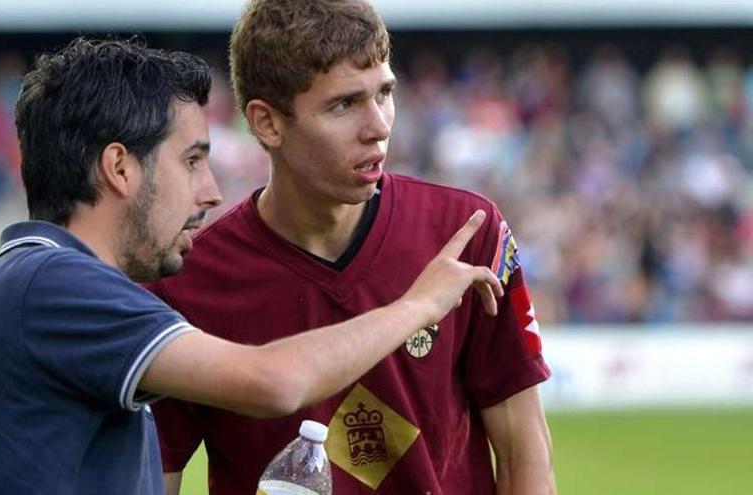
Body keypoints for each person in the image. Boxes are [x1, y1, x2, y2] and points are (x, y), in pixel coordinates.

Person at [0, 38, 504, 495]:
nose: (210, 193)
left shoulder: (42, 283)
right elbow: (275, 382)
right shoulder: (53, 286)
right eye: (191, 162)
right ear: (119, 168)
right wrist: (418, 306)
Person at [147, 1, 556, 494]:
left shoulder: (466, 233)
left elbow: (524, 452)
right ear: (266, 123)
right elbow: (156, 479)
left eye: (384, 93)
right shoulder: (187, 280)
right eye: (344, 104)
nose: (378, 126)